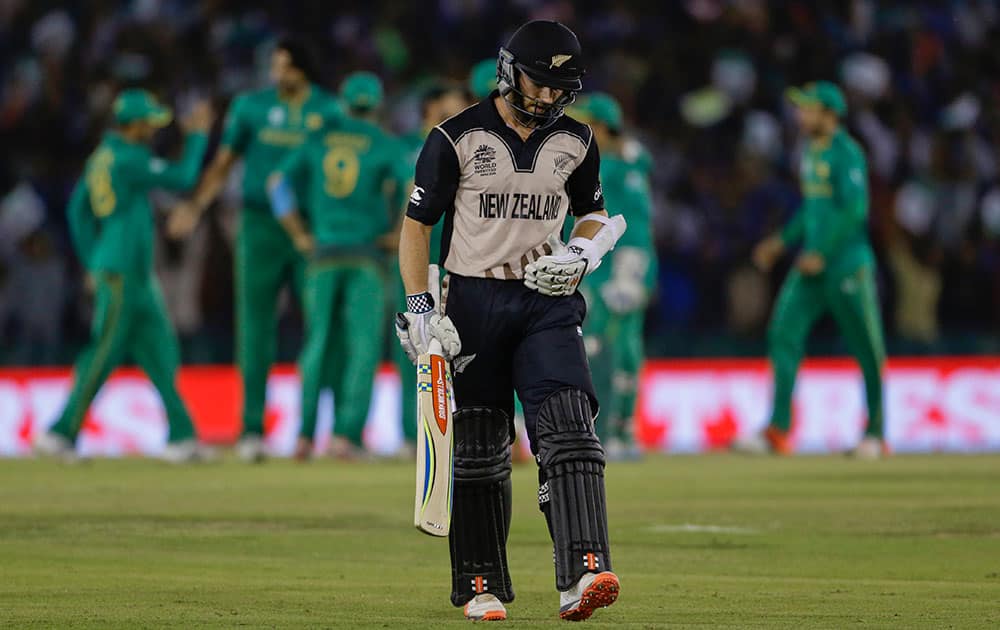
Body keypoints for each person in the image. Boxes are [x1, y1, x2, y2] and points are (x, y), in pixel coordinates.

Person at [396, 20, 623, 621]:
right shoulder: (456, 137)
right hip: (472, 301)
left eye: (559, 87)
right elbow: (417, 228)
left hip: (546, 300)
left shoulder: (577, 140)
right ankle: (480, 584)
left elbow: (594, 216)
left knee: (571, 430)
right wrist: (420, 307)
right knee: (476, 451)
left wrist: (582, 253)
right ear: (507, 69)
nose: (547, 96)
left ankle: (583, 572)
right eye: (538, 82)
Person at [168, 36, 342, 462]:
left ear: (301, 69)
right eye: (273, 65)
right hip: (259, 225)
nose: (274, 73)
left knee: (322, 326)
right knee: (254, 329)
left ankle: (330, 432)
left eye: (282, 66)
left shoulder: (329, 110)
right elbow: (223, 164)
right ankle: (251, 430)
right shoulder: (250, 107)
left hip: (310, 226)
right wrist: (194, 206)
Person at [34, 89, 213, 462]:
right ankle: (59, 433)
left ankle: (182, 437)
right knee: (103, 353)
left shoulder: (102, 157)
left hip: (130, 271)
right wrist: (197, 137)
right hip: (122, 271)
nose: (153, 129)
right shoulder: (130, 158)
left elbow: (77, 211)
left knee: (162, 352)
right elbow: (182, 178)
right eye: (149, 122)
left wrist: (90, 259)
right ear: (133, 125)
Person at [734, 81, 887, 459]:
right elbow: (812, 209)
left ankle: (876, 434)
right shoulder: (810, 150)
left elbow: (855, 210)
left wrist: (823, 251)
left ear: (830, 114)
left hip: (847, 265)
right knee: (783, 333)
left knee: (866, 346)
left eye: (808, 108)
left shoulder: (846, 152)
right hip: (811, 265)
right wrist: (781, 242)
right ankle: (778, 430)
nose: (800, 115)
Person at [267, 71, 405, 460]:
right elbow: (413, 189)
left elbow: (276, 184)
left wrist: (298, 233)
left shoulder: (318, 139)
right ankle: (346, 436)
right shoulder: (382, 143)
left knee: (317, 344)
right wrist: (398, 234)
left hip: (322, 254)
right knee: (362, 346)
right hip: (366, 256)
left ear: (345, 104)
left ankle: (305, 436)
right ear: (376, 106)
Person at [571, 93, 656, 461]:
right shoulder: (625, 160)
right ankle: (620, 428)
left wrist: (632, 270)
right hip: (619, 260)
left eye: (588, 123)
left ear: (603, 127)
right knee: (619, 342)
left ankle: (614, 429)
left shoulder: (621, 163)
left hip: (622, 261)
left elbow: (634, 221)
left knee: (611, 342)